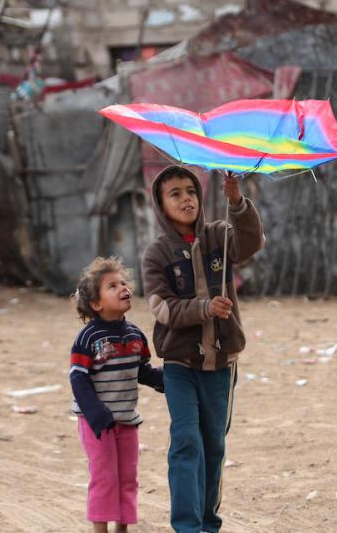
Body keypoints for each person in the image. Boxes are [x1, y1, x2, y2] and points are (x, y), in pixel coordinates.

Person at [140, 166, 265, 533]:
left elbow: (252, 241)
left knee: (214, 446)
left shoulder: (219, 236)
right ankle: (187, 526)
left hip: (222, 364)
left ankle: (209, 524)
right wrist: (205, 308)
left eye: (191, 191)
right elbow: (162, 309)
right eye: (175, 193)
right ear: (161, 205)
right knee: (186, 443)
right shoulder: (157, 253)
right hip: (180, 364)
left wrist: (236, 201)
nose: (186, 199)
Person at [70, 256, 165, 533]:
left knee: (127, 477)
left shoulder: (135, 334)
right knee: (104, 477)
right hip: (97, 423)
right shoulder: (88, 338)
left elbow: (142, 370)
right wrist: (96, 414)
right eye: (112, 286)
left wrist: (169, 380)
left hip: (127, 420)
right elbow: (78, 377)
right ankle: (100, 529)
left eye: (124, 283)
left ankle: (122, 529)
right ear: (96, 304)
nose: (123, 288)